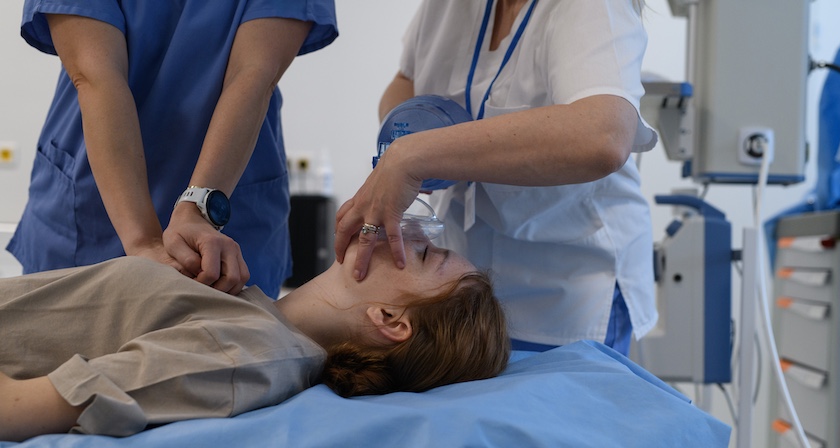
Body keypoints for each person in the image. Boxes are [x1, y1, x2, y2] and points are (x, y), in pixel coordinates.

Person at [334, 0, 658, 355]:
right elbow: (405, 81)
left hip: (568, 288)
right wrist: (407, 135)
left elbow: (603, 136)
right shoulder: (446, 7)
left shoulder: (590, 8)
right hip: (462, 283)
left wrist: (416, 155)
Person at [0, 235, 510, 442]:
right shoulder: (248, 311)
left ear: (392, 320)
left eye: (424, 254)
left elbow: (19, 408)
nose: (409, 233)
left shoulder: (251, 355)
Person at [9, 1, 338, 298]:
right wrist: (143, 242)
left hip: (230, 221)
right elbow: (96, 75)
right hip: (91, 210)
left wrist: (198, 210)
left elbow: (253, 76)